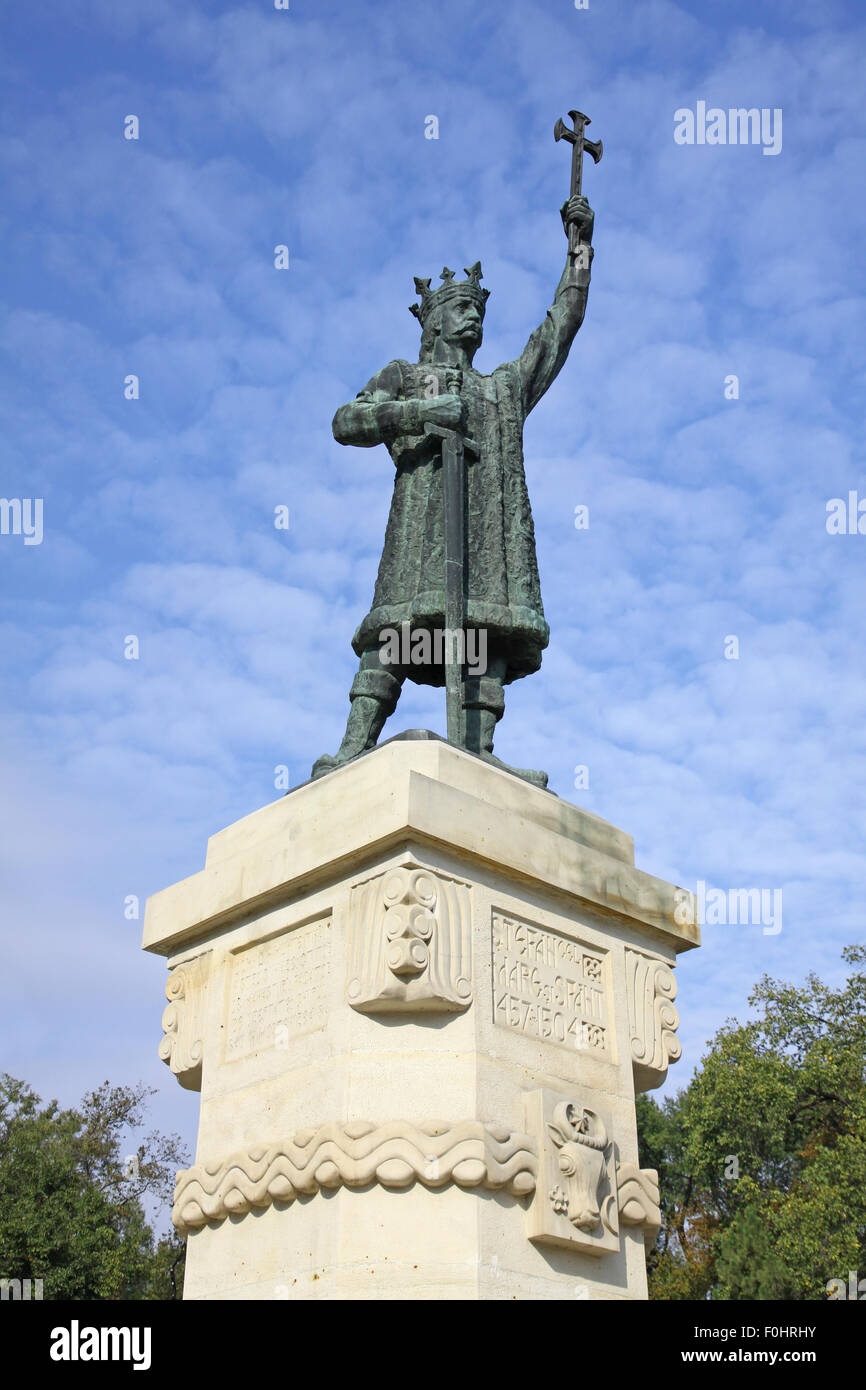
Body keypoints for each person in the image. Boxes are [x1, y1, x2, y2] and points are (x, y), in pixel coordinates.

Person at [312, 194, 595, 788]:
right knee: (396, 629)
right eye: (460, 308)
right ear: (435, 320)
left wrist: (579, 254)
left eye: (477, 309)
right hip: (421, 536)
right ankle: (351, 747)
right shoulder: (406, 374)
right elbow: (346, 421)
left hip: (485, 542)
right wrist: (419, 412)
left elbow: (557, 333)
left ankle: (478, 751)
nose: (472, 318)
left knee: (483, 631)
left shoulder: (503, 389)